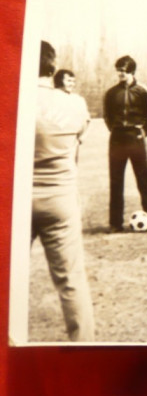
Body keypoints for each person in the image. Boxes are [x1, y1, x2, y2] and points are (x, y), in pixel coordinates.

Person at [32, 41, 95, 341]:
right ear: (52, 68)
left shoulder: (12, 99)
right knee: (72, 282)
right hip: (61, 196)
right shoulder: (75, 103)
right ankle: (86, 353)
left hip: (17, 201)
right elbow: (78, 140)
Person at [103, 56, 147, 232]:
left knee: (143, 180)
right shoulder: (111, 93)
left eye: (124, 70)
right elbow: (107, 116)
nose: (121, 73)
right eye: (118, 70)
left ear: (132, 71)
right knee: (116, 181)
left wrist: (142, 132)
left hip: (136, 138)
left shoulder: (143, 91)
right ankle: (115, 223)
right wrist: (116, 130)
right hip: (117, 138)